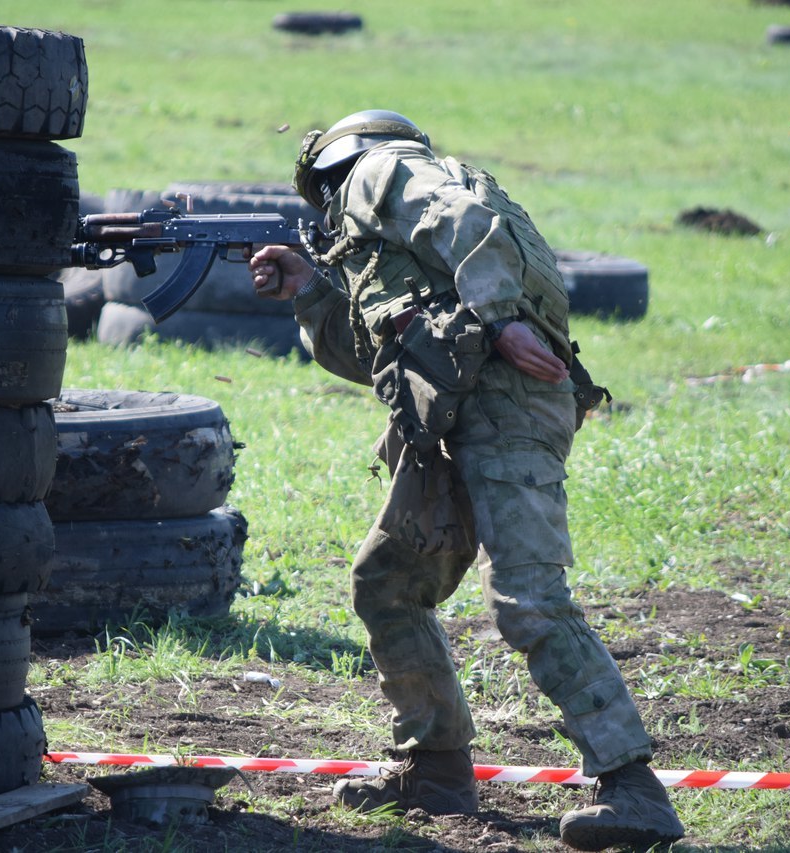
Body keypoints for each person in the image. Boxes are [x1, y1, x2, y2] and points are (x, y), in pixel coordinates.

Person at [249, 109, 685, 851]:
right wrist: (312, 292)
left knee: (528, 598)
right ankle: (436, 769)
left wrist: (502, 316)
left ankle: (633, 788)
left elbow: (463, 217)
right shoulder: (375, 246)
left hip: (503, 399)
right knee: (385, 583)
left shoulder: (382, 172)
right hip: (447, 417)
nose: (323, 210)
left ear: (333, 169)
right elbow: (372, 354)